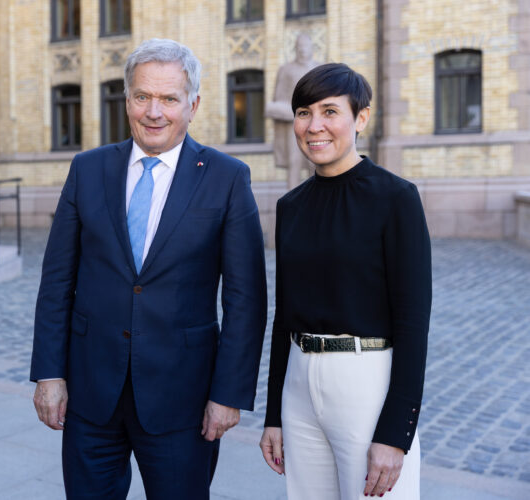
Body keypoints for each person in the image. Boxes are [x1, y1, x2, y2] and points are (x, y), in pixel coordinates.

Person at [30, 38, 267, 499]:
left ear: (193, 104)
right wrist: (49, 373)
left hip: (184, 402)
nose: (153, 111)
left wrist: (228, 394)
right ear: (127, 100)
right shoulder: (87, 169)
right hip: (90, 395)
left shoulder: (226, 178)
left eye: (168, 99)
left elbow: (246, 299)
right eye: (142, 97)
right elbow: (57, 279)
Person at [259, 63, 431, 499]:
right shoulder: (291, 206)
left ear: (361, 118)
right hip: (300, 383)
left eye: (329, 111)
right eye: (303, 112)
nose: (314, 126)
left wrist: (396, 433)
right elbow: (284, 317)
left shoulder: (396, 199)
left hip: (366, 381)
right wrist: (275, 415)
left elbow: (413, 321)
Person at [265, 33, 319, 190]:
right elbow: (279, 98)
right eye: (300, 46)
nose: (303, 50)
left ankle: (316, 198)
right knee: (294, 161)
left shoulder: (319, 69)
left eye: (306, 46)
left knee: (314, 161)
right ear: (295, 49)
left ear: (311, 48)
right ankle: (293, 200)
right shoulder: (286, 70)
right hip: (293, 123)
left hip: (316, 123)